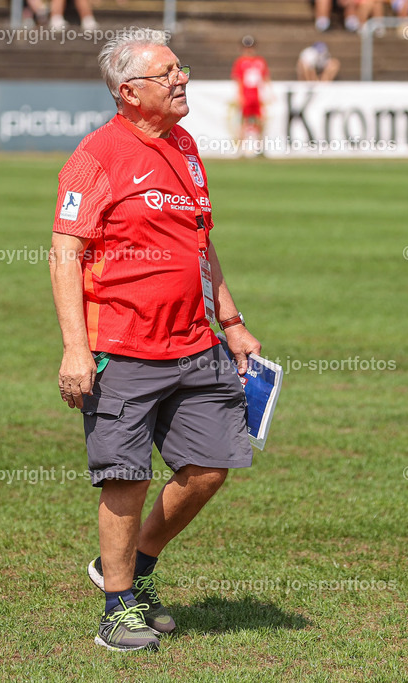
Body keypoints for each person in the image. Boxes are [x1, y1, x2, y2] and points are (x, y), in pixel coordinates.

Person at [50, 28, 261, 653]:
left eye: (181, 68)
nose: (182, 79)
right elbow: (66, 254)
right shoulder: (95, 157)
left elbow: (202, 242)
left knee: (212, 467)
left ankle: (135, 568)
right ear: (128, 91)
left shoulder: (187, 145)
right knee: (126, 476)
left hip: (196, 343)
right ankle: (118, 609)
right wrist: (75, 348)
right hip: (122, 347)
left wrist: (232, 320)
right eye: (167, 72)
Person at [231, 35, 271, 155]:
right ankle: (241, 149)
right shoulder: (240, 62)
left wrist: (269, 92)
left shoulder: (260, 61)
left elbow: (265, 78)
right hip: (246, 95)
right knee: (243, 122)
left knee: (260, 121)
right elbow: (238, 80)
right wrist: (240, 95)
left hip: (257, 96)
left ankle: (260, 147)